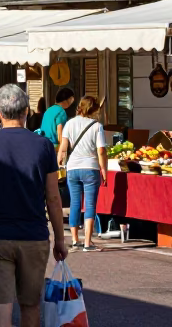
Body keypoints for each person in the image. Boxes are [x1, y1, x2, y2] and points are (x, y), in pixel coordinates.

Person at [0, 85, 68, 327]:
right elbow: (53, 197)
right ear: (26, 111)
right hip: (33, 235)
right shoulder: (43, 146)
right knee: (30, 306)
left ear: (0, 112)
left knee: (1, 308)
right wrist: (60, 239)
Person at [57, 96, 108, 251]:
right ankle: (87, 242)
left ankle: (74, 240)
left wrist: (59, 160)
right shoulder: (97, 126)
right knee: (90, 204)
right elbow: (101, 151)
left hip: (72, 168)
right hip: (90, 168)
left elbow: (63, 147)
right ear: (93, 110)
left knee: (74, 203)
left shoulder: (69, 124)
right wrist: (104, 170)